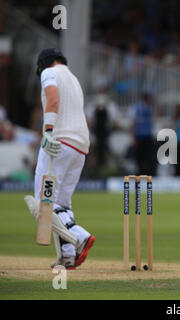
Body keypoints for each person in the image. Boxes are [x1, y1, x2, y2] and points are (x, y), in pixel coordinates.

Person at [24, 48, 95, 269]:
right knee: (61, 203)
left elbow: (52, 100)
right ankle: (68, 255)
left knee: (42, 203)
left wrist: (48, 131)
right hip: (80, 146)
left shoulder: (49, 72)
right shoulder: (73, 79)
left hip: (59, 142)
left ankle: (78, 236)